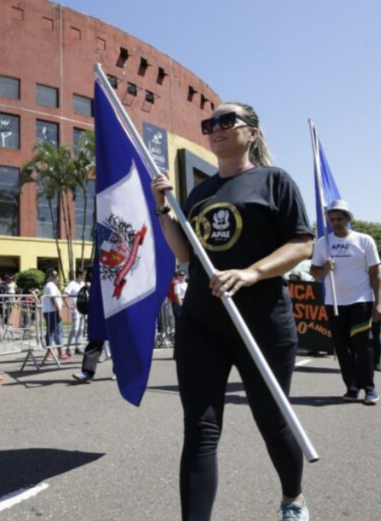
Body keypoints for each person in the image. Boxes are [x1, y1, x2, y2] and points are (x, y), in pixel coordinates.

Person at [152, 101, 314, 520]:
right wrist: (164, 210)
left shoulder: (274, 181)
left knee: (273, 422)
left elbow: (301, 244)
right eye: (210, 123)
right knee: (201, 430)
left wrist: (251, 273)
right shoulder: (201, 192)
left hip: (261, 323)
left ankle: (292, 498)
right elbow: (186, 253)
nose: (216, 128)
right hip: (202, 324)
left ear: (252, 133)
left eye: (227, 121)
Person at [310, 200, 381, 404]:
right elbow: (315, 273)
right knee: (342, 347)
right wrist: (324, 270)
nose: (335, 222)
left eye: (339, 218)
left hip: (360, 300)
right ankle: (351, 388)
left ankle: (369, 388)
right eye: (332, 219)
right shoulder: (322, 243)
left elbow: (375, 274)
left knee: (362, 345)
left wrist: (380, 303)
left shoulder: (364, 240)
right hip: (334, 302)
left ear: (348, 219)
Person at [42, 269, 66, 359]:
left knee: (51, 332)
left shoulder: (51, 285)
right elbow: (53, 298)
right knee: (57, 332)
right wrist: (58, 311)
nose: (57, 277)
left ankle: (51, 352)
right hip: (52, 311)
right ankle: (59, 352)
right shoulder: (51, 285)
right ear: (51, 276)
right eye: (55, 275)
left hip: (49, 311)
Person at [64, 270, 88, 352]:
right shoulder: (72, 284)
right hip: (75, 309)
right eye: (83, 275)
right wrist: (68, 304)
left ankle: (78, 346)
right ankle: (68, 347)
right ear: (79, 275)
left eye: (85, 275)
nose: (84, 276)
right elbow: (65, 294)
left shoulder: (84, 284)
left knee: (81, 328)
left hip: (83, 309)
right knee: (75, 328)